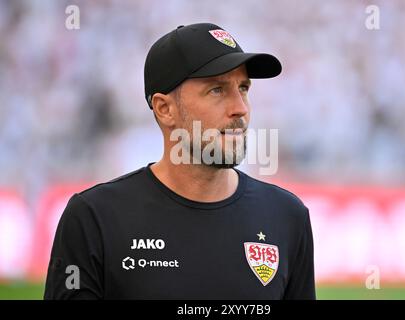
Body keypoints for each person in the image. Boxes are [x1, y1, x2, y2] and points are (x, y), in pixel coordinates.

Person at [44, 23, 315, 300]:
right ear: (165, 109)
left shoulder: (287, 216)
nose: (240, 108)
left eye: (243, 88)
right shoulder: (94, 218)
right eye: (217, 90)